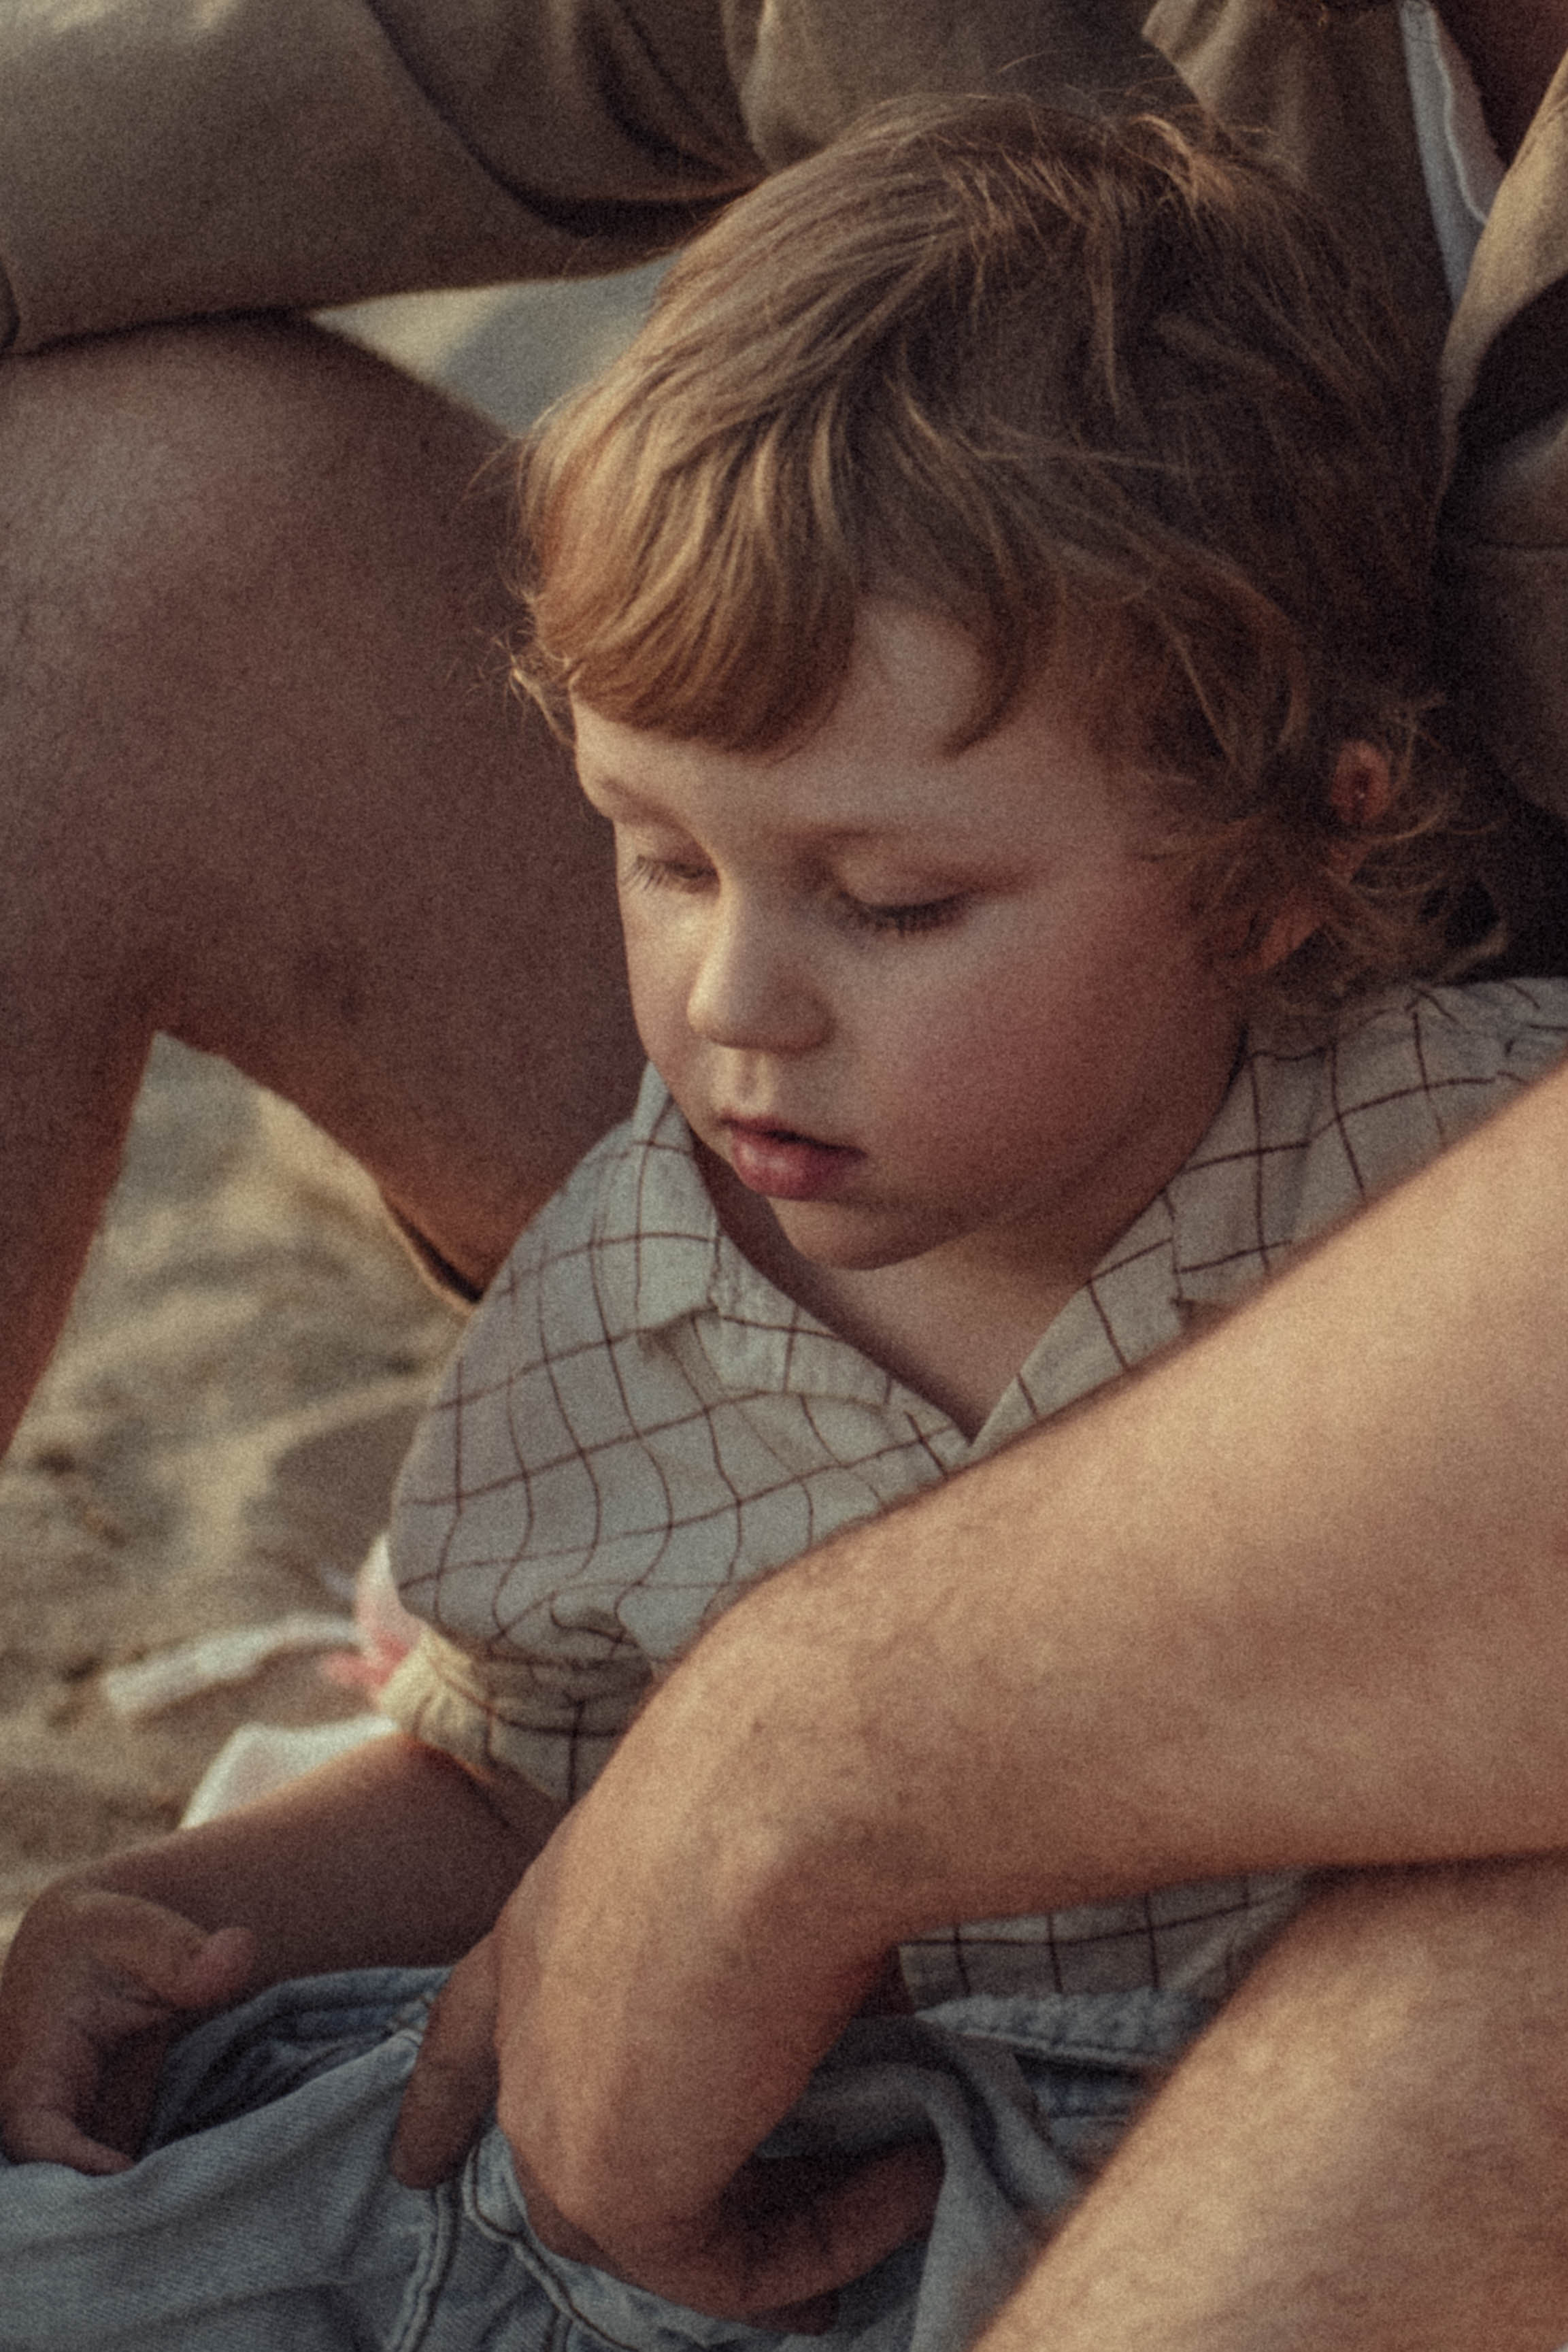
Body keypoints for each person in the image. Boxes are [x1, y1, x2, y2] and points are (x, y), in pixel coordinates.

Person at [4, 4, 1568, 2347]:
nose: (731, 1001)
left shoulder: (1422, 1133)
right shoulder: (660, 1277)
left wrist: (827, 1752)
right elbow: (509, 1771)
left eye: (881, 910)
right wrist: (162, 1911)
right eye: (650, 861)